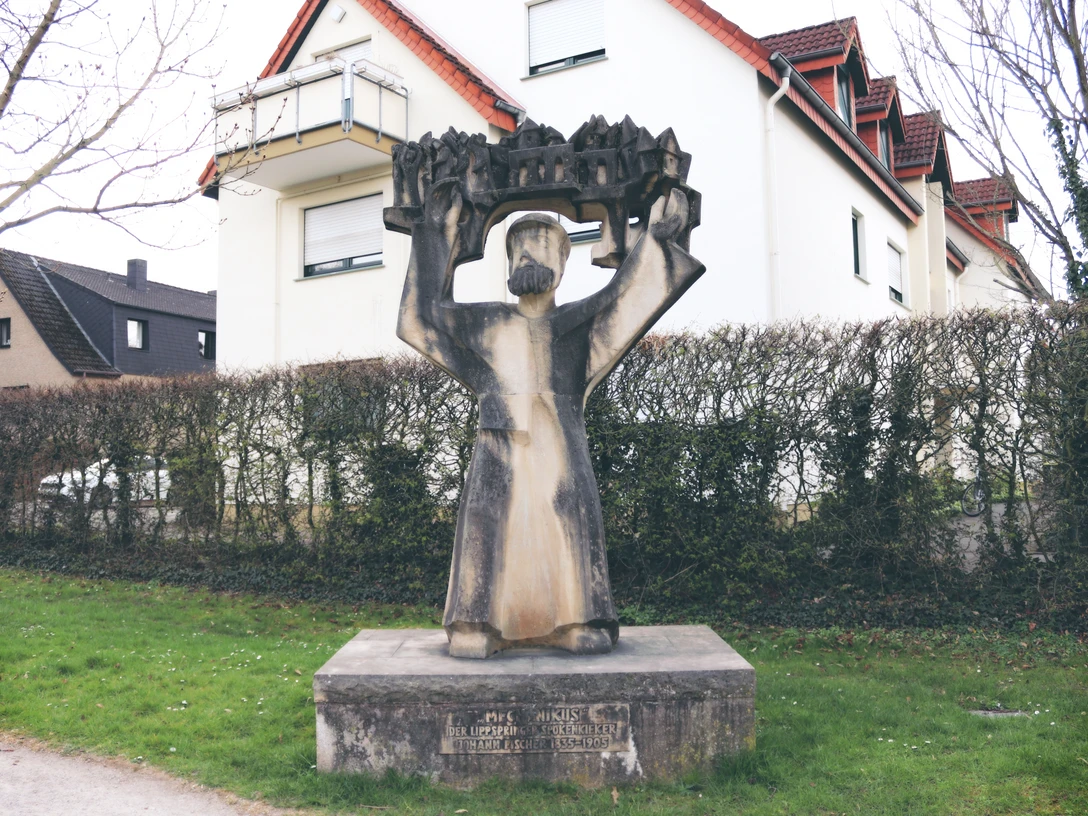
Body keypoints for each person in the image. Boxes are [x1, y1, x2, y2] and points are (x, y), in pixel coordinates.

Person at [397, 178, 704, 658]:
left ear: (563, 264)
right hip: (499, 448)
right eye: (518, 249)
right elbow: (420, 321)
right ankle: (479, 625)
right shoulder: (485, 325)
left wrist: (662, 238)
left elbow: (632, 294)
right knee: (489, 524)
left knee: (569, 521)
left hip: (559, 448)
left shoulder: (582, 325)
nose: (527, 257)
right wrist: (436, 237)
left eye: (540, 248)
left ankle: (577, 620)